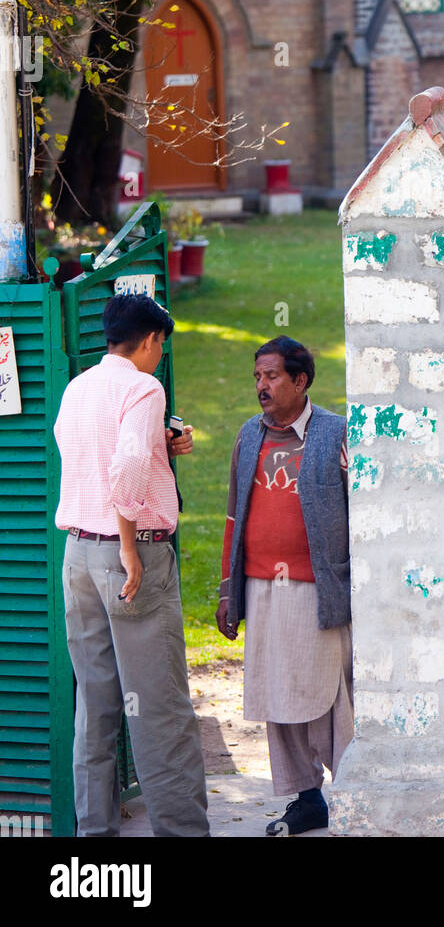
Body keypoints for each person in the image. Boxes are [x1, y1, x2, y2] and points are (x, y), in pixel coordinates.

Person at [54, 292, 209, 837]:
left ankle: (94, 838)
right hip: (131, 555)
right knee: (160, 709)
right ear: (149, 340)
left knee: (95, 707)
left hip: (78, 555)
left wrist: (160, 444)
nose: (159, 355)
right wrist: (126, 545)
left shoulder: (78, 388)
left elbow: (95, 458)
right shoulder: (145, 388)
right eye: (160, 344)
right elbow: (125, 469)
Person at [216, 335, 352, 837]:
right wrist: (228, 590)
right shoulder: (248, 435)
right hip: (261, 587)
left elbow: (359, 512)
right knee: (279, 695)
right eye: (258, 377)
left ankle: (354, 791)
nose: (262, 386)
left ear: (300, 380)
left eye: (272, 376)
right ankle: (307, 799)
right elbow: (234, 514)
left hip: (318, 588)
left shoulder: (337, 433)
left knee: (329, 694)